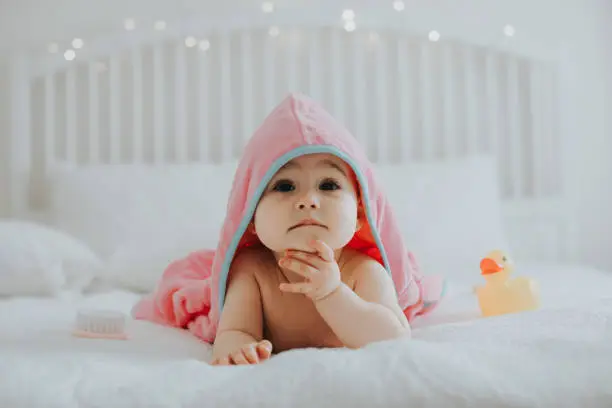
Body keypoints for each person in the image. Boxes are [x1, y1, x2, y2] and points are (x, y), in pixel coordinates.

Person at [131, 93, 445, 366]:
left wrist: (333, 293)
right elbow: (235, 331)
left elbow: (393, 338)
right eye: (284, 186)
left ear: (362, 215)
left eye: (328, 184)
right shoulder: (252, 271)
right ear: (250, 216)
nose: (308, 200)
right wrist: (238, 349)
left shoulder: (363, 271)